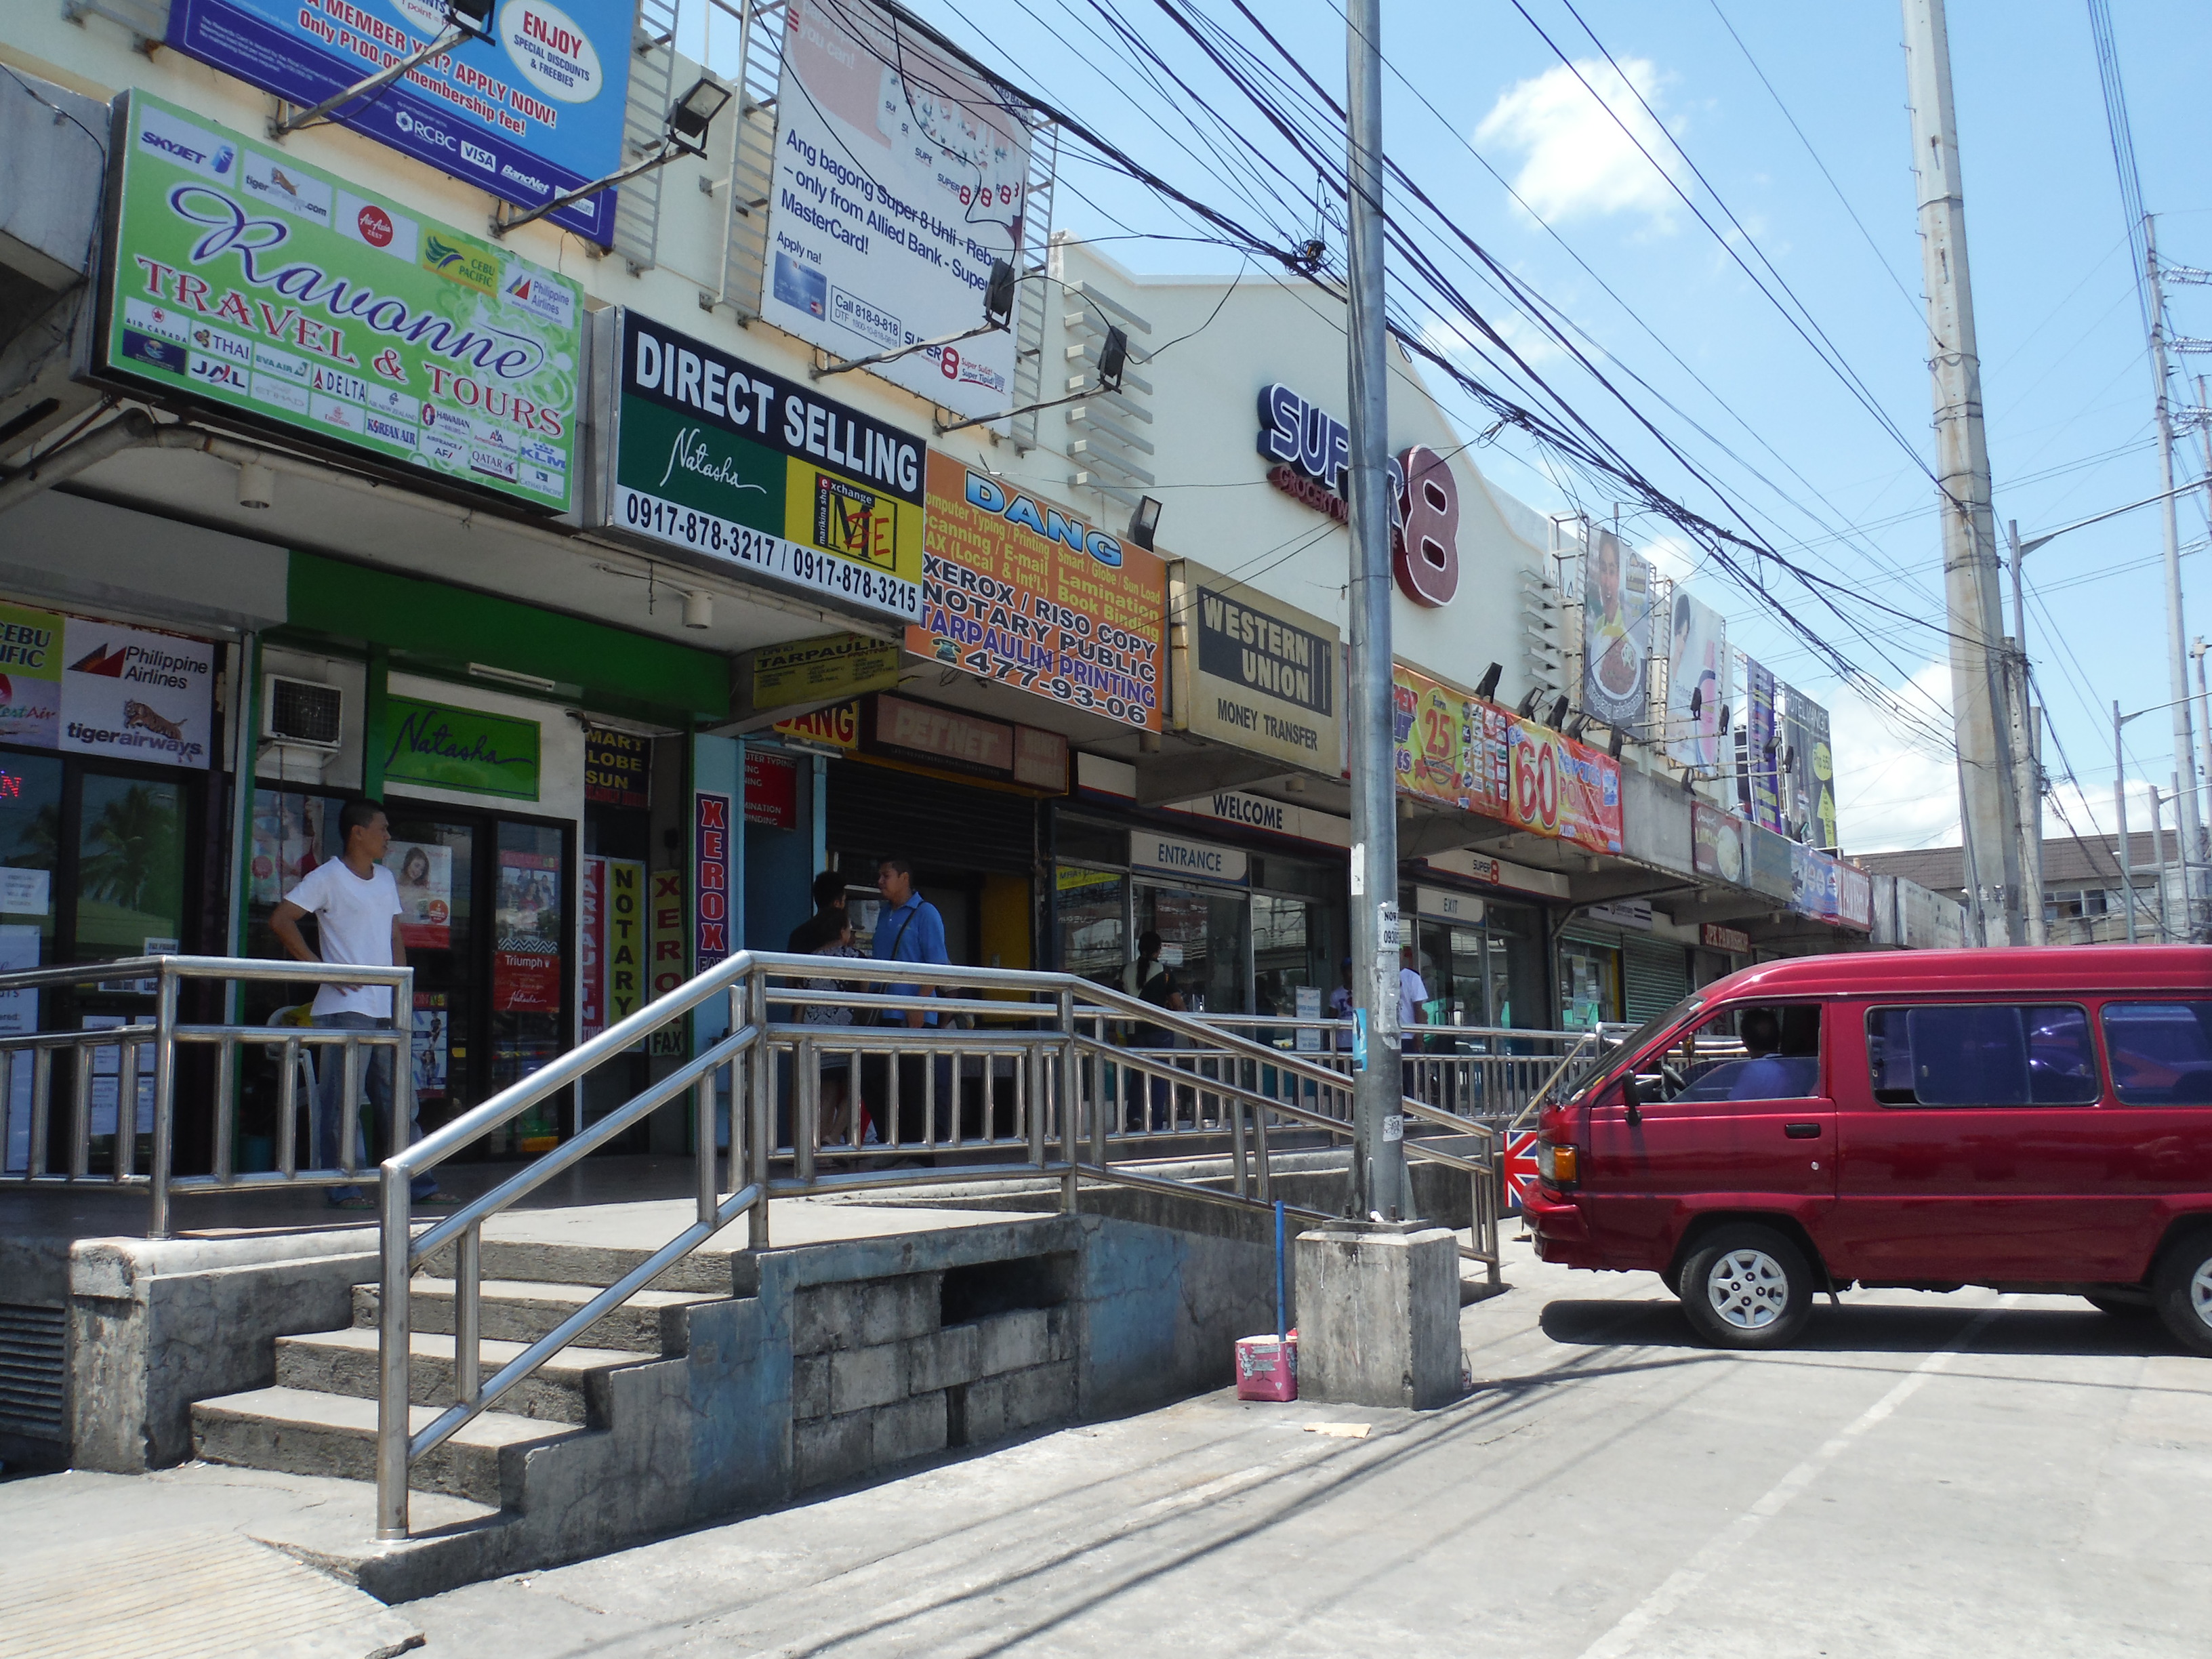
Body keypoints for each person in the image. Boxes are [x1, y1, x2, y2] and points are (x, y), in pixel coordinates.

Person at [269, 798, 440, 1210]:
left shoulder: (384, 878)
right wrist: (322, 971)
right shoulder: (327, 876)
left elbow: (394, 933)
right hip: (343, 1008)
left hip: (386, 1006)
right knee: (341, 1103)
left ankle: (417, 1184)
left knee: (399, 1100)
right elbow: (281, 919)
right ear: (357, 832)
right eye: (382, 829)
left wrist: (401, 981)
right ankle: (343, 1186)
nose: (388, 837)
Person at [870, 857, 950, 1149]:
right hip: (884, 1012)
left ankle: (919, 1149)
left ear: (904, 878)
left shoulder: (925, 913)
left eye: (886, 875)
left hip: (913, 1015)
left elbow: (937, 964)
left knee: (914, 1086)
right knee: (878, 1080)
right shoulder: (883, 914)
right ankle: (893, 1143)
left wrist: (920, 1004)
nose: (880, 882)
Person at [1124, 929, 1183, 1129]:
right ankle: (1155, 1122)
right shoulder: (1164, 973)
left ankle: (1134, 1116)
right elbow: (1177, 1003)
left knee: (1138, 1075)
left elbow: (1111, 1000)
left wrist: (1113, 1028)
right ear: (1158, 951)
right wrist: (1193, 1025)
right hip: (1159, 1031)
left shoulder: (1125, 971)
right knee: (1159, 1076)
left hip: (1134, 1031)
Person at [1729, 1007, 1818, 1100]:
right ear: (1779, 1037)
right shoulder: (1798, 1068)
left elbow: (1733, 1106)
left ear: (1744, 1040)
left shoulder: (1754, 1070)